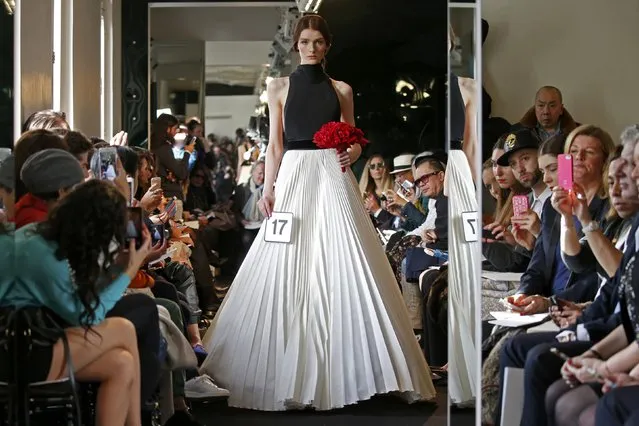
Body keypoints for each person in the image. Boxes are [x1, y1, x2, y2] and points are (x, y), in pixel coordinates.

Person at [199, 14, 435, 411]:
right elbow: (275, 145)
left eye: (318, 42)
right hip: (294, 171)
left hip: (332, 171)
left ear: (327, 46)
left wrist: (352, 152)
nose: (311, 47)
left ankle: (360, 371)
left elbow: (356, 136)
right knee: (286, 256)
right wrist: (268, 189)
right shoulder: (278, 87)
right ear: (297, 45)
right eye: (305, 41)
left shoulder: (341, 88)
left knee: (345, 257)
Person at [445, 24, 480, 405]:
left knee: (465, 269)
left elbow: (471, 146)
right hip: (436, 171)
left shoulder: (467, 87)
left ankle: (468, 375)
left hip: (458, 172)